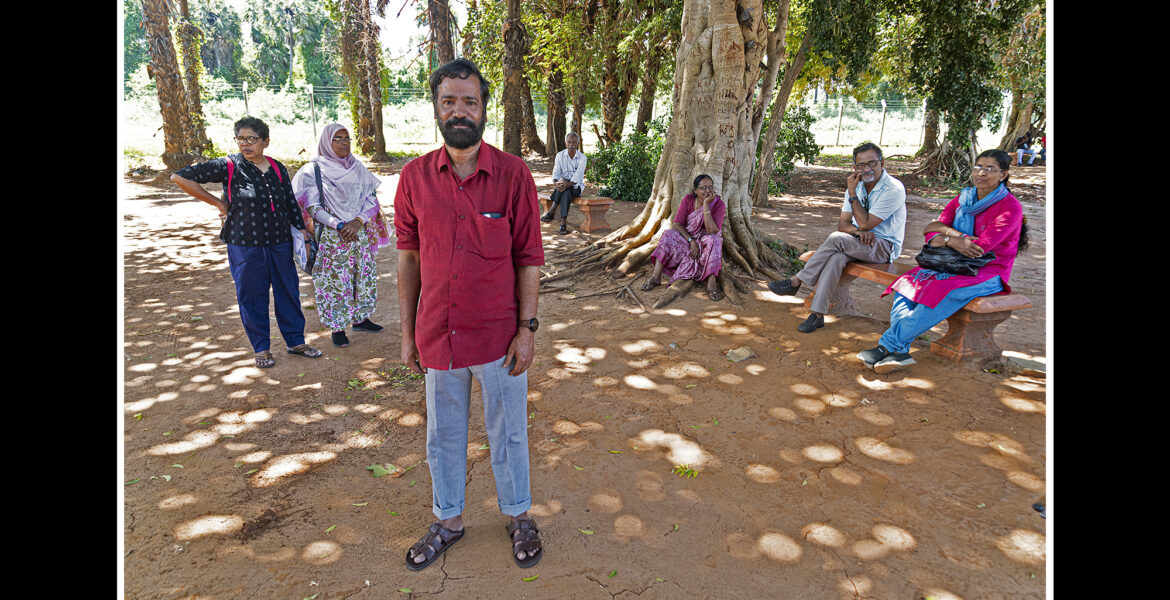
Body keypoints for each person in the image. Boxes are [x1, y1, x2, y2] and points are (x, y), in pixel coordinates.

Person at [394, 58, 545, 571]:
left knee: (509, 430)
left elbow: (529, 257)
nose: (460, 111)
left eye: (470, 102)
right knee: (443, 432)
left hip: (500, 335)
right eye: (449, 101)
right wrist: (409, 332)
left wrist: (527, 330)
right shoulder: (414, 178)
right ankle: (448, 519)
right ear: (436, 107)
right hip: (438, 332)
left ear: (485, 109)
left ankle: (519, 515)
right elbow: (409, 257)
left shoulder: (512, 174)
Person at [857, 149, 1029, 374]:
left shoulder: (1010, 207)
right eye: (978, 167)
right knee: (907, 283)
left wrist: (945, 237)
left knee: (943, 289)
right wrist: (954, 239)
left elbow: (980, 249)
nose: (982, 173)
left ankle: (888, 345)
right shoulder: (963, 199)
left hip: (986, 272)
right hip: (948, 263)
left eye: (990, 169)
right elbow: (930, 232)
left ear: (1003, 174)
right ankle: (899, 351)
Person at [170, 116, 322, 368]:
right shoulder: (228, 165)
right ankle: (261, 348)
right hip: (244, 244)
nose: (245, 144)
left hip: (279, 242)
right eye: (241, 138)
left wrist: (303, 231)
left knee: (288, 292)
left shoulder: (276, 167)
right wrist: (218, 203)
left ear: (266, 142)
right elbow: (180, 177)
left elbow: (288, 201)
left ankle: (296, 342)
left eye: (252, 139)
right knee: (252, 295)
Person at [766, 142, 906, 333]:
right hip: (857, 243)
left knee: (836, 238)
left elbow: (865, 223)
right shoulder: (857, 186)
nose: (867, 169)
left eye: (872, 163)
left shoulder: (893, 189)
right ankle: (817, 315)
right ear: (855, 168)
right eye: (861, 165)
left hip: (883, 247)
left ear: (882, 163)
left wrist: (852, 196)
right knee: (836, 257)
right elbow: (843, 224)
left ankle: (797, 281)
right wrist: (857, 232)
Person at [291, 124, 389, 348]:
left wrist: (358, 222)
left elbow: (371, 199)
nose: (344, 142)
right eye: (338, 138)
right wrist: (340, 225)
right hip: (334, 238)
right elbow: (313, 207)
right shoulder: (313, 170)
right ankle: (338, 328)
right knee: (335, 282)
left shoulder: (357, 167)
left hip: (358, 234)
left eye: (347, 138)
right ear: (327, 142)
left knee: (361, 277)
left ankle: (361, 319)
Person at [640, 174, 726, 301]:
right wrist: (691, 241)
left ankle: (711, 283)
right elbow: (677, 224)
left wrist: (706, 206)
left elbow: (711, 230)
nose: (707, 190)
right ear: (695, 190)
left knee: (715, 239)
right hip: (689, 239)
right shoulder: (688, 200)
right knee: (668, 234)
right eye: (703, 188)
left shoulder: (718, 204)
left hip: (707, 242)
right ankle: (655, 276)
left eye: (710, 187)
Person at [540, 132, 587, 234]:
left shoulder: (583, 158)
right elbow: (556, 173)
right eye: (569, 142)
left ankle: (552, 210)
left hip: (576, 187)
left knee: (567, 189)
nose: (571, 144)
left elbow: (577, 176)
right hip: (563, 187)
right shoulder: (560, 155)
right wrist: (556, 183)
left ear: (577, 144)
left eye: (574, 142)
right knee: (566, 192)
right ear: (566, 143)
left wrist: (566, 184)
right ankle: (563, 223)